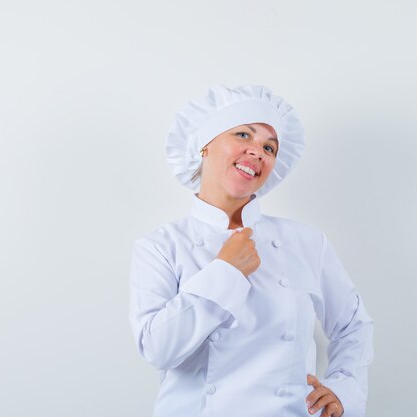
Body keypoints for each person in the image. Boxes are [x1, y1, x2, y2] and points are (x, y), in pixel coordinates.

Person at [129, 85, 373, 417]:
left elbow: (352, 324)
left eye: (269, 147)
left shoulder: (306, 242)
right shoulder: (161, 246)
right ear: (204, 145)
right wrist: (225, 271)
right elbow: (158, 350)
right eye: (244, 134)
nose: (258, 152)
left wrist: (345, 389)